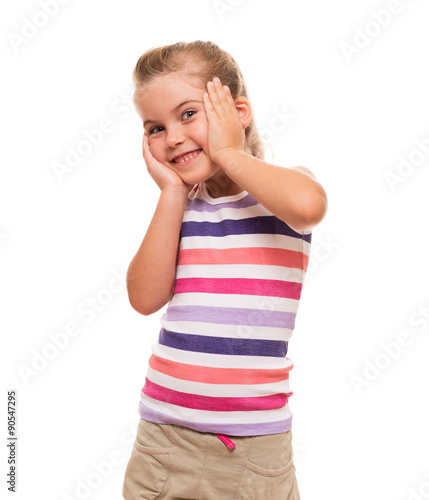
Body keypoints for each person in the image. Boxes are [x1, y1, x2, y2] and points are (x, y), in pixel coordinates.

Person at [122, 40, 327, 500]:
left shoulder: (280, 191)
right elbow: (144, 298)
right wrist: (171, 193)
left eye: (188, 114)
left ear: (238, 111)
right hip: (163, 440)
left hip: (254, 450)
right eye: (155, 127)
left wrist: (232, 152)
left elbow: (309, 206)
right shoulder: (178, 210)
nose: (172, 137)